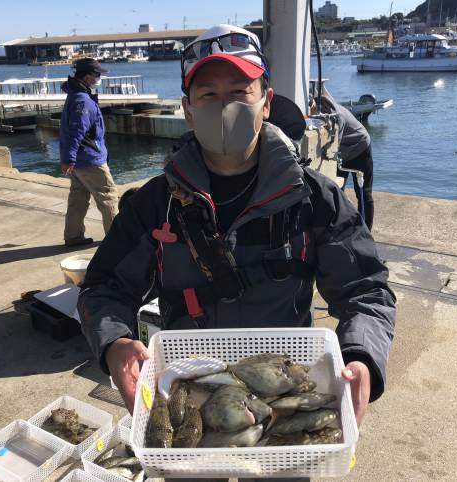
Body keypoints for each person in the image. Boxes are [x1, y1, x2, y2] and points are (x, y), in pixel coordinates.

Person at [78, 23, 395, 467]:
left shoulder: (315, 199)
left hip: (282, 384)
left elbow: (367, 290)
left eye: (239, 92)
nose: (224, 106)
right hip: (189, 388)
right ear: (188, 111)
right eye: (208, 94)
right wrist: (114, 342)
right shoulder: (155, 203)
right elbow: (104, 287)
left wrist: (361, 357)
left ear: (266, 102)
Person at [60, 58, 118, 247]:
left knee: (78, 197)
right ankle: (115, 242)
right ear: (87, 77)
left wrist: (69, 158)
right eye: (97, 75)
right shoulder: (82, 100)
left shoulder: (76, 95)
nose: (99, 78)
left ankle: (73, 236)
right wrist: (69, 158)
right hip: (89, 159)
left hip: (78, 160)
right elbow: (77, 131)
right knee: (109, 197)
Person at [330, 99, 375, 231]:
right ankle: (338, 228)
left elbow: (333, 141)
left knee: (364, 193)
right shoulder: (322, 112)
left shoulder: (334, 114)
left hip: (360, 147)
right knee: (336, 192)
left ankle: (365, 232)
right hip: (342, 151)